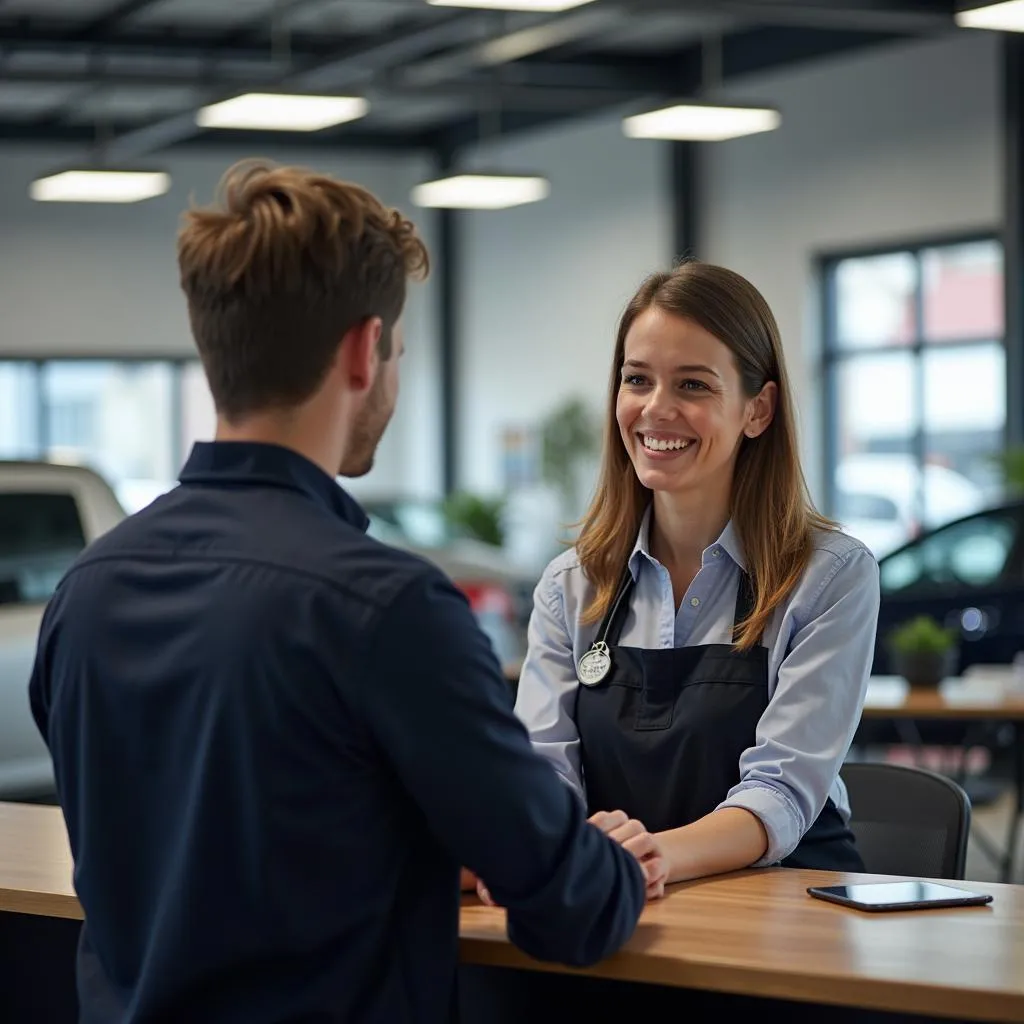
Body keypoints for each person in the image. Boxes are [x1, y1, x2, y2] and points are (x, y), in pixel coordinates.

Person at [28, 159, 660, 1024]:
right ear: (365, 351)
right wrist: (618, 862)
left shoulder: (86, 591)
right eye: (397, 352)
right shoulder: (386, 607)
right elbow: (569, 908)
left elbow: (225, 839)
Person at [513, 260, 880, 885]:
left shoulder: (831, 576)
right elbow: (542, 772)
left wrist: (647, 857)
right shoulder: (570, 585)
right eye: (637, 379)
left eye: (693, 385)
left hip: (785, 916)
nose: (656, 410)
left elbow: (781, 794)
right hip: (621, 904)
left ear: (758, 409)